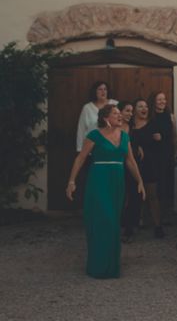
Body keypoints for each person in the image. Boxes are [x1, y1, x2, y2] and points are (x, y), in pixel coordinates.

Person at [66, 105, 145, 278]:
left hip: (118, 182)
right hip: (99, 181)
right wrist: (71, 181)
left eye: (120, 113)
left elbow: (130, 161)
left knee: (114, 222)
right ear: (105, 118)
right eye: (115, 113)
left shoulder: (125, 136)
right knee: (104, 220)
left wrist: (140, 181)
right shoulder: (94, 135)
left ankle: (112, 266)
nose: (120, 116)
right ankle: (98, 266)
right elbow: (80, 158)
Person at [130, 98, 164, 238]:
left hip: (150, 164)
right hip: (133, 164)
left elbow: (161, 143)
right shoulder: (129, 126)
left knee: (152, 195)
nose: (144, 109)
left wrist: (159, 138)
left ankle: (158, 225)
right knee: (134, 195)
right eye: (140, 106)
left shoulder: (153, 124)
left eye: (145, 106)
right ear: (134, 110)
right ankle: (134, 223)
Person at [148, 92, 177, 218]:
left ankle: (165, 215)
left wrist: (174, 154)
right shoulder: (149, 116)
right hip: (153, 155)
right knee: (154, 185)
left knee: (166, 185)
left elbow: (174, 137)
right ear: (153, 101)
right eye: (159, 99)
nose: (162, 102)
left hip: (167, 154)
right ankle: (153, 215)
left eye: (164, 99)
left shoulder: (170, 116)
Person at [117, 101, 141, 243]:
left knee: (132, 195)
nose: (130, 114)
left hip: (130, 163)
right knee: (119, 196)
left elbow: (134, 143)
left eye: (131, 111)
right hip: (117, 165)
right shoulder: (114, 127)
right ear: (119, 111)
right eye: (127, 110)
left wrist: (139, 148)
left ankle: (129, 228)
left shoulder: (132, 127)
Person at [76, 81, 117, 152]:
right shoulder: (87, 108)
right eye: (100, 89)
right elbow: (81, 129)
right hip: (92, 147)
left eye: (105, 89)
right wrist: (79, 149)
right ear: (95, 92)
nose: (103, 91)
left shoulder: (115, 104)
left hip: (112, 145)